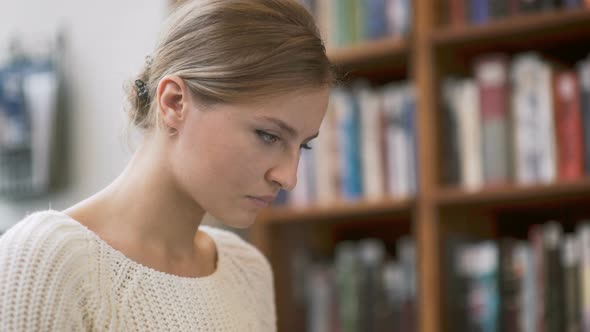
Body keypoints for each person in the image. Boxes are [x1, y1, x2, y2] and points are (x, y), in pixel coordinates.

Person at [0, 0, 334, 330]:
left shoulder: (247, 271)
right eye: (268, 135)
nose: (288, 177)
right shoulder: (44, 261)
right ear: (174, 102)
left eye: (303, 145)